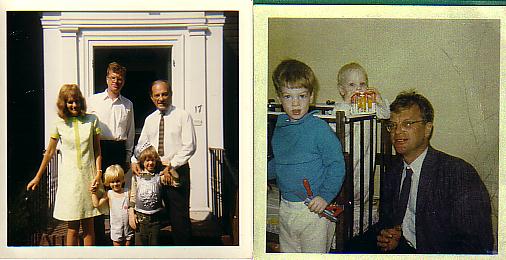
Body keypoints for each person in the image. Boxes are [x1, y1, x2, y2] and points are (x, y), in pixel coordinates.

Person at [375, 90, 493, 253]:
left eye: (407, 124)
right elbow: (387, 222)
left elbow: (476, 243)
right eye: (392, 125)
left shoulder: (458, 174)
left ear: (427, 129)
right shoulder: (393, 171)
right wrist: (389, 236)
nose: (397, 132)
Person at [267, 59, 346, 253]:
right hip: (286, 207)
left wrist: (325, 196)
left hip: (314, 210)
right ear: (279, 97)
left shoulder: (319, 129)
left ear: (311, 96)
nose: (295, 103)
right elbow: (280, 161)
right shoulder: (280, 127)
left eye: (301, 96)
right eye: (288, 96)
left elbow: (337, 165)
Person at [27, 84, 105, 246]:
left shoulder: (92, 120)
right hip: (70, 180)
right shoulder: (59, 124)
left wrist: (98, 173)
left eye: (76, 101)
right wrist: (37, 177)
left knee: (89, 226)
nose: (74, 105)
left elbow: (97, 150)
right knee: (73, 228)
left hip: (89, 178)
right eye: (70, 102)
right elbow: (49, 153)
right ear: (64, 103)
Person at [131, 80, 196, 245]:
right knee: (150, 217)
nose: (161, 98)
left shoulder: (182, 116)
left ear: (171, 94)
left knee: (179, 218)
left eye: (164, 94)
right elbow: (142, 145)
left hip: (175, 170)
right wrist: (133, 160)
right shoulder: (150, 119)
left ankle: (183, 253)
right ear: (152, 97)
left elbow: (190, 146)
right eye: (157, 95)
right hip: (154, 172)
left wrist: (171, 165)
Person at [334, 62, 389, 236]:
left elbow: (385, 114)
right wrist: (347, 106)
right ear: (342, 90)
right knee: (345, 193)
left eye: (362, 84)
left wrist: (379, 101)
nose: (359, 89)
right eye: (352, 85)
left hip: (366, 159)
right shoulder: (340, 109)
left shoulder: (369, 107)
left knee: (364, 192)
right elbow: (338, 129)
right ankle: (341, 224)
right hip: (348, 161)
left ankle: (359, 226)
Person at [87, 61, 135, 245]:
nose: (116, 81)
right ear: (107, 79)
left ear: (123, 81)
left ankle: (120, 236)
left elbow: (130, 133)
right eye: (113, 78)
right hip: (100, 150)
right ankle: (100, 239)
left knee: (117, 194)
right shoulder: (94, 100)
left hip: (118, 150)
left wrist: (128, 156)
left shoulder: (128, 104)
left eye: (120, 79)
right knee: (100, 193)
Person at [128, 145, 179, 245]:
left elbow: (176, 182)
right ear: (142, 162)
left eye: (152, 160)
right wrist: (131, 214)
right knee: (140, 248)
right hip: (140, 219)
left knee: (154, 247)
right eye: (147, 160)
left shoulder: (159, 177)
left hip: (155, 220)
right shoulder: (136, 178)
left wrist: (170, 167)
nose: (150, 163)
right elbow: (133, 197)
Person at [90, 164, 134, 246]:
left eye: (117, 181)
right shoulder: (109, 194)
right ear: (108, 183)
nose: (115, 184)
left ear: (122, 180)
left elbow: (134, 203)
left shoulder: (127, 192)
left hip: (128, 228)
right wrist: (93, 193)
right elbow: (97, 204)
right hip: (116, 229)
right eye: (112, 182)